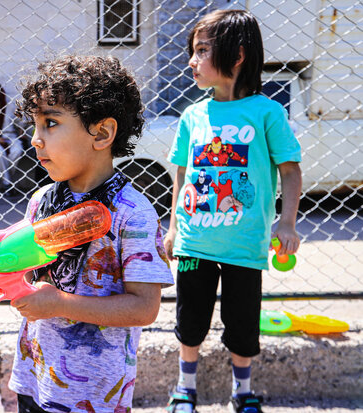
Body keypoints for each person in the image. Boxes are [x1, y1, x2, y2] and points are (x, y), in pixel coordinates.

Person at [8, 55, 174, 412]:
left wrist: (59, 304)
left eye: (50, 123)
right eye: (35, 125)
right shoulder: (41, 201)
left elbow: (145, 308)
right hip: (33, 376)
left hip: (95, 396)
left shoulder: (133, 214)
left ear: (101, 133)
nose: (36, 140)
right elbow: (27, 273)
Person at [163, 10, 302, 413]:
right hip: (194, 241)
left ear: (237, 55)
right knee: (190, 322)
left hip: (245, 245)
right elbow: (183, 176)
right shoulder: (193, 116)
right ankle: (185, 387)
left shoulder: (266, 113)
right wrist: (172, 229)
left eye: (202, 51)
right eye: (193, 51)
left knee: (242, 325)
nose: (192, 60)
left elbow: (290, 171)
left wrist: (287, 221)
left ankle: (242, 392)